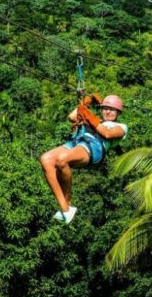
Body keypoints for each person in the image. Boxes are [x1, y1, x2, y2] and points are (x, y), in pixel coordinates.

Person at [40, 94, 127, 224]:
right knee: (45, 159)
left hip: (94, 148)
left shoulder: (121, 127)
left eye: (112, 109)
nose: (107, 112)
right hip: (78, 142)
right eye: (105, 108)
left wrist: (88, 115)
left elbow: (107, 134)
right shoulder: (94, 119)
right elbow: (72, 117)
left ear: (118, 112)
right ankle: (65, 208)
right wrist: (84, 106)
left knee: (62, 160)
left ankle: (67, 201)